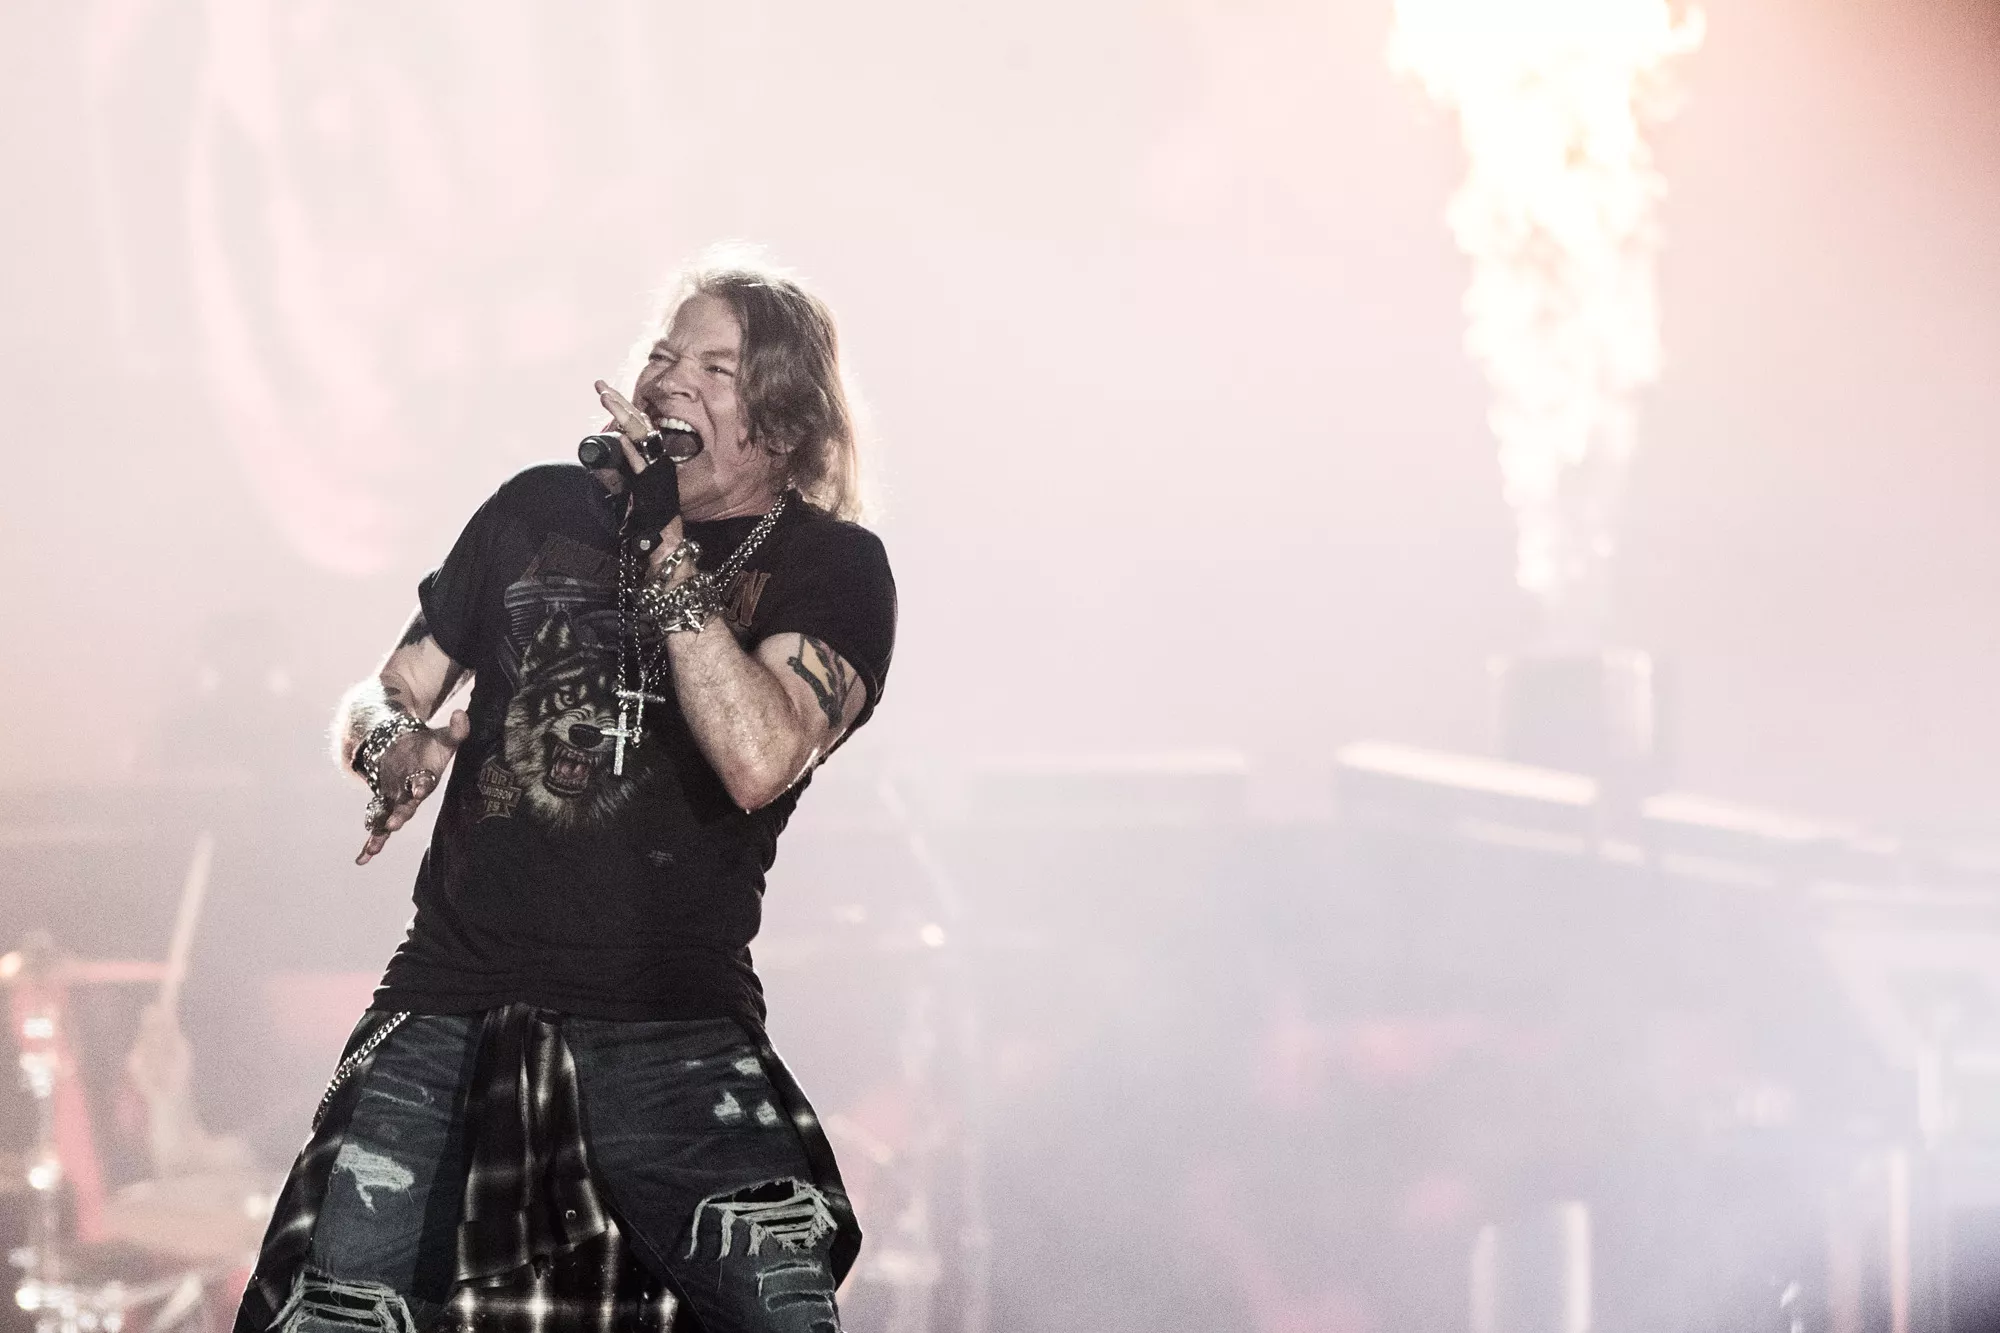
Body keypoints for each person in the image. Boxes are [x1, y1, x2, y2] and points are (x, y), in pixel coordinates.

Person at [234, 249, 896, 1333]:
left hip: (671, 1026)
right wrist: (392, 745)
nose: (670, 378)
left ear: (782, 421)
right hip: (450, 997)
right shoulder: (536, 510)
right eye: (664, 354)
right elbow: (387, 688)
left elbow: (759, 755)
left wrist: (663, 545)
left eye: (716, 369)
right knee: (330, 1307)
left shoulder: (834, 568)